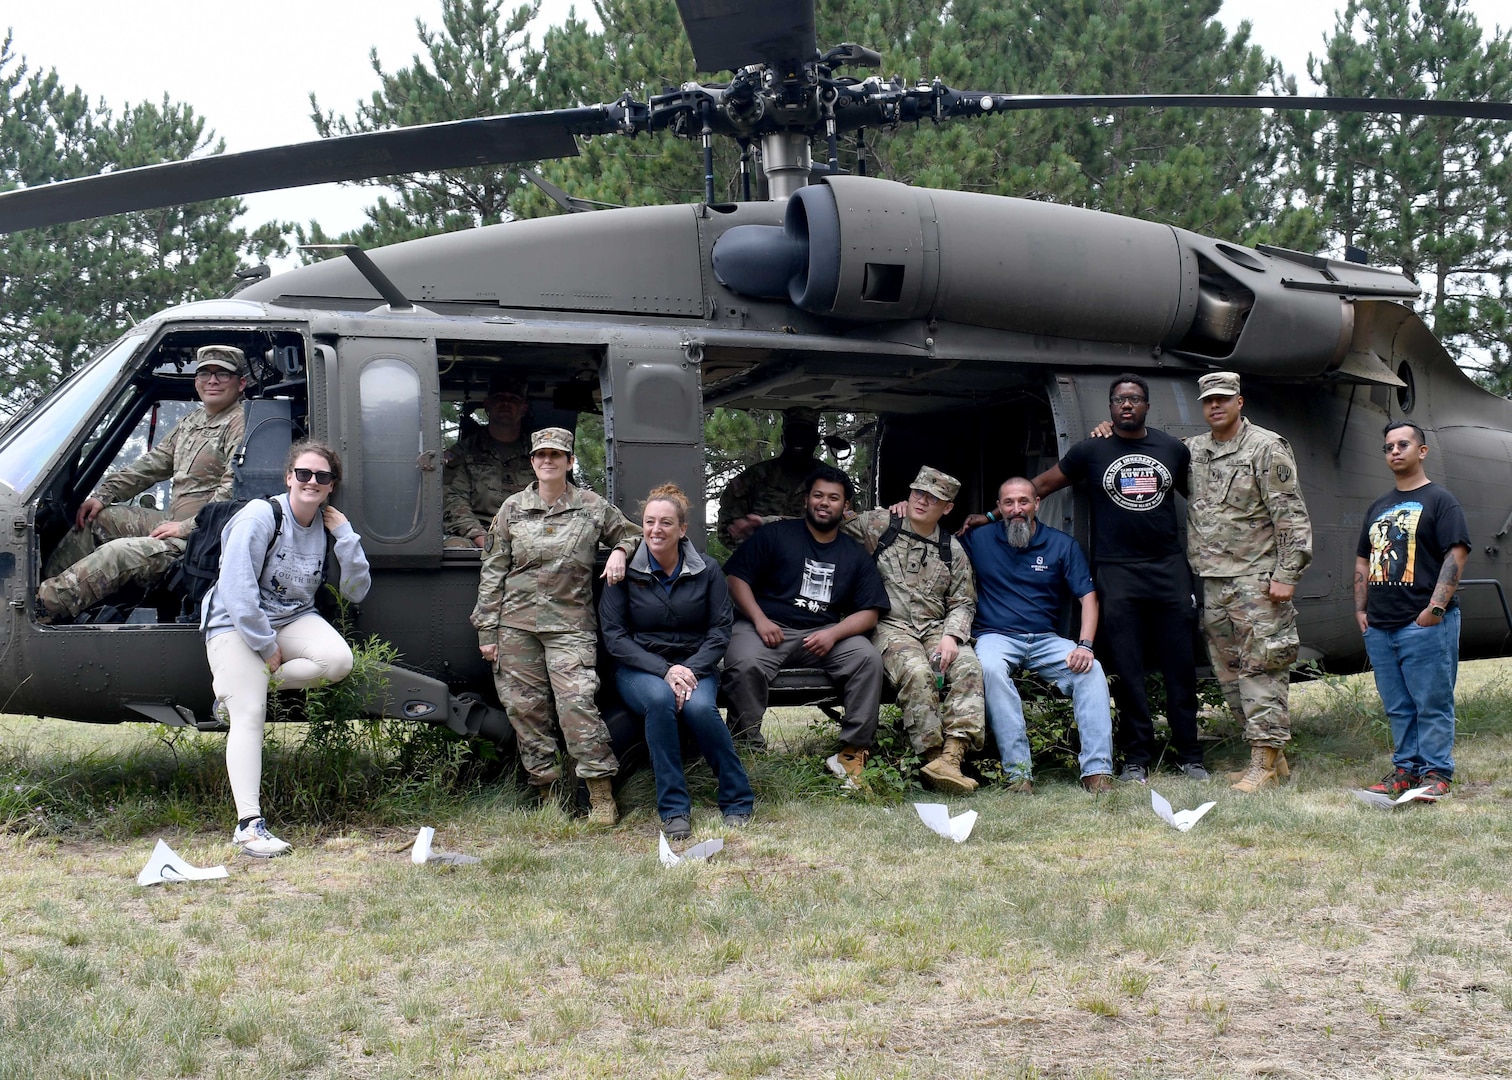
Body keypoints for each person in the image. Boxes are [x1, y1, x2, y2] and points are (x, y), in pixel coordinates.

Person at [1033, 374, 1206, 783]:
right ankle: (1136, 758)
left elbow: (1201, 501)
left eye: (1134, 399)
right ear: (1110, 408)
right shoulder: (1091, 450)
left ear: (1146, 406)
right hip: (1115, 571)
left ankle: (1191, 756)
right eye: (1119, 400)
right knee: (1127, 668)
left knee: (1180, 664)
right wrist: (990, 519)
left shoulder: (1171, 449)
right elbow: (1039, 486)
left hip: (1168, 569)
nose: (1126, 405)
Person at [203, 441, 371, 858]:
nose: (312, 482)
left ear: (332, 485)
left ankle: (242, 689)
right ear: (289, 477)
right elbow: (237, 588)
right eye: (304, 474)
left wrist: (346, 538)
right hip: (237, 622)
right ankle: (248, 825)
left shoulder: (326, 527)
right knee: (251, 716)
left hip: (293, 618)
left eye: (323, 477)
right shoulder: (261, 516)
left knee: (337, 662)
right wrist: (264, 645)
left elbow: (355, 591)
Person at [471, 427, 641, 825]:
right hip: (515, 627)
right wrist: (487, 631)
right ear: (532, 461)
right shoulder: (512, 508)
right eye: (540, 455)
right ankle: (548, 794)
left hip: (570, 626)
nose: (548, 461)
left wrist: (618, 551)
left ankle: (600, 793)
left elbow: (632, 534)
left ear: (569, 461)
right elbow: (493, 570)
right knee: (526, 711)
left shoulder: (591, 506)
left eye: (556, 455)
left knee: (577, 705)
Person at [38, 345, 248, 619]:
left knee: (118, 553)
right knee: (97, 520)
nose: (212, 381)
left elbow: (233, 493)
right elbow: (152, 465)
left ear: (241, 383)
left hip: (203, 540)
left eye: (223, 374)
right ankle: (43, 597)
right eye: (204, 373)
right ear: (196, 381)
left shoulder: (241, 424)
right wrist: (104, 494)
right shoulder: (192, 421)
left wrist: (186, 527)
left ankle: (38, 611)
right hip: (175, 524)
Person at [599, 484, 754, 838]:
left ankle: (738, 798)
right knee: (659, 699)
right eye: (649, 522)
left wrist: (688, 669)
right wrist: (664, 670)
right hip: (640, 667)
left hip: (694, 665)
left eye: (666, 523)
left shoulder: (708, 570)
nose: (656, 530)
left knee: (701, 709)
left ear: (682, 529)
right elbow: (615, 638)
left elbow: (719, 631)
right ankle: (673, 809)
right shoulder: (622, 572)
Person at [721, 464, 890, 785]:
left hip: (823, 634)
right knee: (743, 662)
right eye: (818, 495)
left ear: (845, 506)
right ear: (806, 501)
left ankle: (853, 753)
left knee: (867, 659)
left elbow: (870, 612)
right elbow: (736, 579)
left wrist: (834, 633)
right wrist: (759, 619)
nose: (824, 503)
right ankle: (746, 748)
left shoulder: (853, 554)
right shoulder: (775, 535)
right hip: (765, 629)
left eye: (834, 498)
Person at [1187, 371, 1312, 793]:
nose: (1215, 406)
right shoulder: (1194, 451)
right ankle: (1270, 758)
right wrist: (1109, 429)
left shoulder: (1266, 447)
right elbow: (1148, 454)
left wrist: (1287, 573)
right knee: (1230, 674)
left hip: (1257, 581)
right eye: (1208, 401)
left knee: (1263, 668)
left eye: (1223, 399)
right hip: (1214, 582)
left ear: (1240, 401)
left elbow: (1290, 516)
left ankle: (1263, 760)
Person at [959, 478, 1115, 794]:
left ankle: (1097, 773)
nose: (1017, 509)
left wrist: (1085, 645)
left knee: (1092, 671)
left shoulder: (1061, 544)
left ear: (1037, 504)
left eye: (1024, 502)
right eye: (1009, 503)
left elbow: (1088, 597)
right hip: (996, 636)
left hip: (1045, 639)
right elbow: (933, 544)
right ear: (999, 508)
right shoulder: (978, 540)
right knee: (988, 668)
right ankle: (1019, 776)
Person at [1355, 421, 1470, 799]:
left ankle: (1437, 773)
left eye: (1403, 444)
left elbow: (1456, 554)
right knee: (1399, 707)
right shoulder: (1378, 505)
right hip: (1381, 626)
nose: (1395, 451)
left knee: (1432, 703)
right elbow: (1363, 559)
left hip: (1422, 623)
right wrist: (1361, 609)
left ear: (1422, 451)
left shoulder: (1440, 500)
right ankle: (1406, 770)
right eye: (1388, 447)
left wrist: (1435, 609)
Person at [853, 467, 985, 794]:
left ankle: (952, 757)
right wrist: (761, 523)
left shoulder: (952, 549)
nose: (922, 501)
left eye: (933, 498)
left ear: (948, 507)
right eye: (918, 493)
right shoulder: (880, 526)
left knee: (968, 666)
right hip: (890, 625)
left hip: (935, 628)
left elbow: (964, 602)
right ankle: (932, 757)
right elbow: (824, 524)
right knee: (916, 671)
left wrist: (952, 637)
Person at [442, 374, 535, 548]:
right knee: (455, 548)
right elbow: (453, 501)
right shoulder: (463, 452)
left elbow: (557, 497)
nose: (506, 403)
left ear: (523, 409)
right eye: (499, 398)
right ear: (487, 404)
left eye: (513, 399)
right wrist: (483, 539)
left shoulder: (540, 453)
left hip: (532, 535)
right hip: (477, 536)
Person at [717, 406, 824, 548]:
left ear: (816, 440)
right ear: (783, 439)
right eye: (793, 434)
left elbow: (847, 528)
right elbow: (727, 528)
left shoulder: (833, 481)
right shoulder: (755, 477)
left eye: (805, 435)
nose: (798, 440)